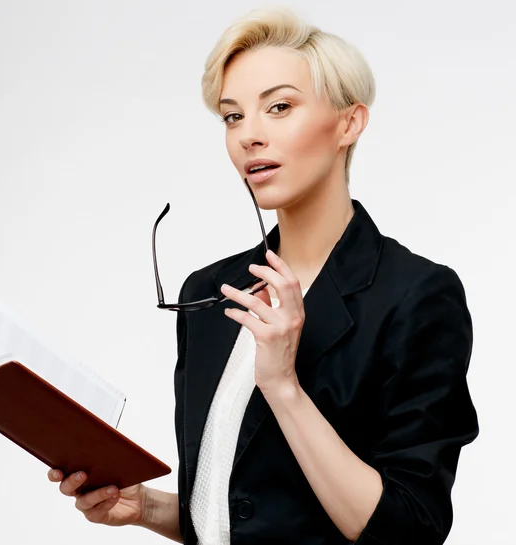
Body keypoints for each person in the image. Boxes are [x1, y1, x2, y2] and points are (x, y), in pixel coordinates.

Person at [48, 6, 479, 544]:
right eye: (233, 116)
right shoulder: (207, 293)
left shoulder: (415, 296)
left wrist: (283, 386)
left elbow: (410, 529)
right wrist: (147, 507)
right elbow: (251, 512)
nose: (250, 134)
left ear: (349, 122)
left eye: (279, 107)